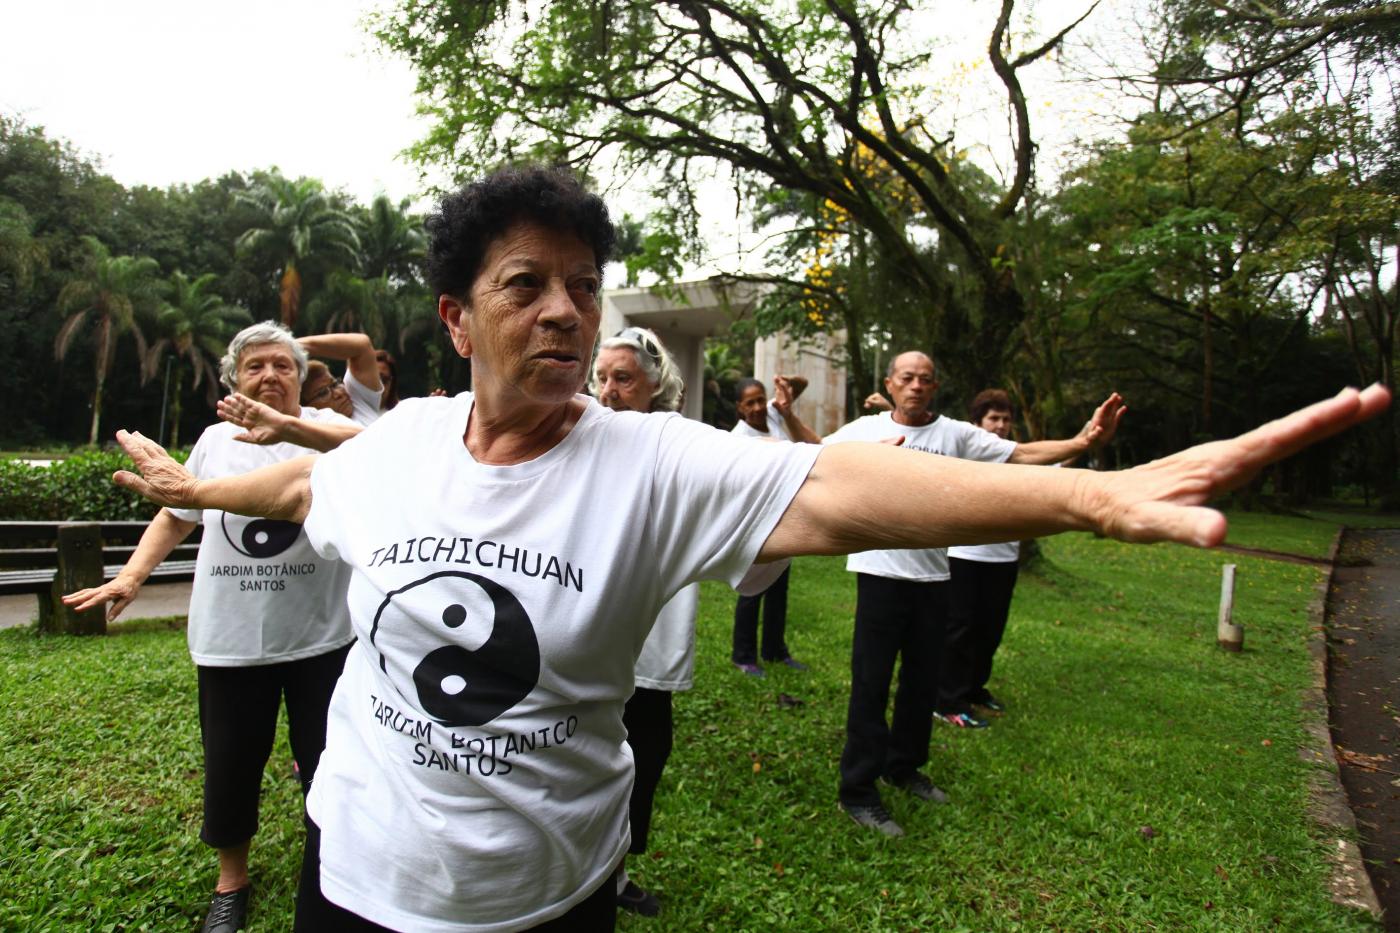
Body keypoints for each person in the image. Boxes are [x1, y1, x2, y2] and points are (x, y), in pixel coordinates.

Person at [102, 165, 1388, 930]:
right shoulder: (393, 449)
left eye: (584, 286)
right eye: (525, 285)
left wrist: (1079, 496)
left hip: (548, 899)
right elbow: (294, 487)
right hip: (357, 879)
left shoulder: (649, 459)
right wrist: (198, 492)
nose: (564, 309)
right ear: (456, 318)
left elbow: (836, 484)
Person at [62, 321, 359, 933]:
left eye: (283, 364)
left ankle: (330, 874)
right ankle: (231, 881)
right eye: (255, 366)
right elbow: (177, 514)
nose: (270, 375)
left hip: (322, 639)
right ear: (232, 380)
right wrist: (132, 577)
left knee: (332, 765)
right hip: (230, 639)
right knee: (230, 763)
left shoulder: (330, 436)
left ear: (302, 377)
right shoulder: (215, 441)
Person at [823, 351, 1125, 836]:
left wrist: (1084, 439)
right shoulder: (863, 430)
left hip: (935, 577)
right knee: (871, 684)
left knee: (921, 684)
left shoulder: (957, 434)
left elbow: (1022, 454)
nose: (916, 386)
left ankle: (904, 767)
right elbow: (813, 452)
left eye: (925, 379)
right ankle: (857, 791)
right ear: (890, 383)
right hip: (879, 575)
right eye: (907, 378)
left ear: (935, 385)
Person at [591, 325, 695, 917]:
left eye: (622, 379)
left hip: (650, 642)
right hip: (586, 638)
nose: (607, 391)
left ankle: (616, 872)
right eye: (601, 378)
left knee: (643, 755)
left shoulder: (680, 445)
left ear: (655, 387)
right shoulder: (577, 435)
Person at [941, 389, 1035, 718]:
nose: (1000, 425)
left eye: (1006, 419)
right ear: (978, 422)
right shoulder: (965, 454)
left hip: (1004, 558)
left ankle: (974, 688)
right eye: (993, 418)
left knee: (990, 629)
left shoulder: (1015, 459)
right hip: (965, 557)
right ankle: (947, 699)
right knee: (959, 628)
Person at [728, 376, 820, 676]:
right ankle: (743, 656)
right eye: (749, 403)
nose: (757, 407)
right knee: (753, 590)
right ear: (740, 408)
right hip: (756, 521)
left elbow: (801, 386)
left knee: (779, 587)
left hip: (786, 517)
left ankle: (774, 650)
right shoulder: (737, 438)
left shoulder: (773, 414)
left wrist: (787, 385)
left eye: (760, 399)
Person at [298, 333, 386, 426]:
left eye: (335, 384)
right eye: (323, 393)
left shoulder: (358, 402)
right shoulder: (310, 433)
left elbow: (362, 345)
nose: (339, 393)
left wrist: (291, 346)